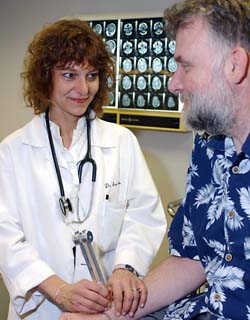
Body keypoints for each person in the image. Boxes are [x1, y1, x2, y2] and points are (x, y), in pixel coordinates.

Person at [58, 0, 250, 319]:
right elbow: (193, 258)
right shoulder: (209, 146)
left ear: (234, 64)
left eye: (185, 66)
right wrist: (108, 315)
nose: (173, 82)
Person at [0, 19, 167, 320]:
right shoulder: (13, 151)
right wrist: (61, 290)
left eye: (91, 76)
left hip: (108, 306)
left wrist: (125, 268)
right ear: (44, 77)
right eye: (69, 75)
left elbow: (143, 214)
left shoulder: (121, 142)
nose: (83, 88)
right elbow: (5, 237)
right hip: (42, 308)